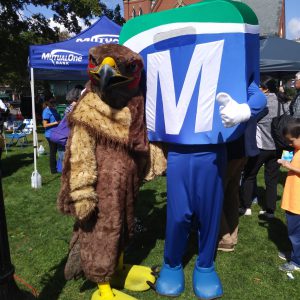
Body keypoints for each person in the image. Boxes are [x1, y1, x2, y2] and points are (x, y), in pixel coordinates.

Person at [218, 82, 266, 252]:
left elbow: (261, 101)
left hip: (231, 148)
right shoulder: (248, 86)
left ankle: (225, 238)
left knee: (218, 193)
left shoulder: (236, 83)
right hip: (242, 148)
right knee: (230, 192)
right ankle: (231, 235)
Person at [240, 77, 288, 218]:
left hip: (261, 147)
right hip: (277, 147)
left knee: (249, 176)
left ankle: (246, 206)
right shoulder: (282, 102)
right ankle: (270, 210)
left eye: (259, 87)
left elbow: (249, 117)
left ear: (265, 89)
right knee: (272, 180)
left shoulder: (262, 103)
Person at [278, 119, 300, 272]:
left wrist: (288, 165)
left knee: (296, 234)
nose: (290, 144)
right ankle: (294, 254)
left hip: (297, 203)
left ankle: (296, 262)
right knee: (294, 232)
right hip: (293, 200)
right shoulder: (297, 151)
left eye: (291, 141)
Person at [42, 98, 60, 174]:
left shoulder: (54, 110)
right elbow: (44, 125)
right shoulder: (46, 111)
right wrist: (56, 123)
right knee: (53, 152)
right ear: (49, 103)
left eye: (54, 104)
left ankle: (59, 166)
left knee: (58, 150)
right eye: (52, 104)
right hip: (50, 134)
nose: (54, 105)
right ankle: (53, 170)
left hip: (56, 133)